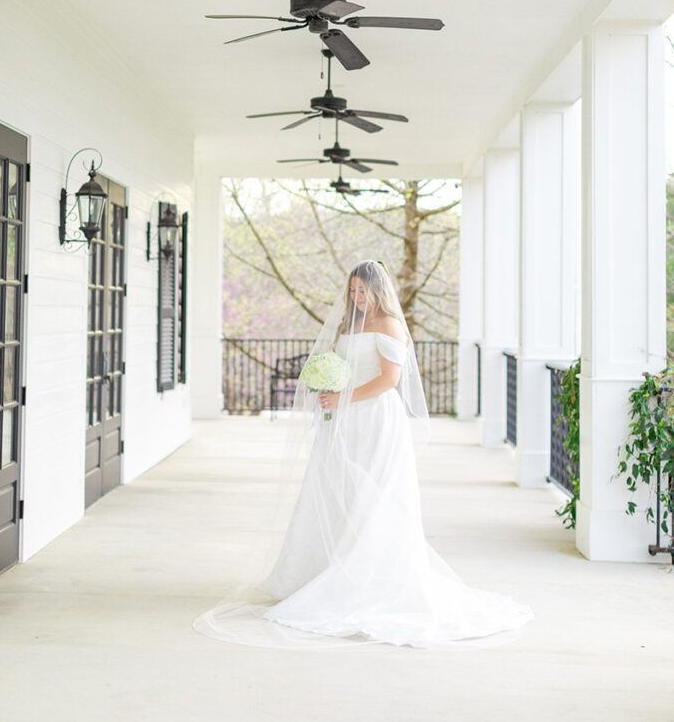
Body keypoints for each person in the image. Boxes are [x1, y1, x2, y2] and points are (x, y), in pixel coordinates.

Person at [194, 259, 533, 649]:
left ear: (378, 291)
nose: (356, 298)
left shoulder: (389, 326)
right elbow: (342, 364)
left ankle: (366, 578)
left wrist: (343, 396)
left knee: (371, 495)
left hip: (374, 418)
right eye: (352, 291)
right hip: (343, 418)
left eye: (362, 292)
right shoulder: (348, 324)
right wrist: (328, 390)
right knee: (337, 490)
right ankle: (327, 568)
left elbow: (389, 380)